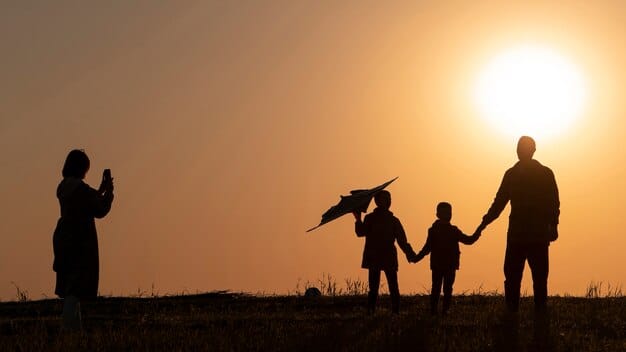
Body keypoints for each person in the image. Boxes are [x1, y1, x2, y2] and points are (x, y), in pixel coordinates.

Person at [477, 136, 559, 313]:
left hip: (533, 234)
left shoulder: (543, 174)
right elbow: (499, 203)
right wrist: (483, 224)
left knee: (537, 277)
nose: (520, 151)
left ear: (532, 151)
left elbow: (553, 203)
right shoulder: (513, 175)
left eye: (523, 148)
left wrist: (554, 225)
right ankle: (514, 311)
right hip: (521, 235)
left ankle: (537, 311)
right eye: (519, 148)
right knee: (515, 276)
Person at [52, 149, 114, 330]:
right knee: (76, 289)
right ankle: (70, 329)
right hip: (80, 241)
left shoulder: (64, 186)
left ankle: (73, 329)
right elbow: (100, 209)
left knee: (71, 287)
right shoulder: (80, 189)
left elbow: (87, 197)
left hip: (64, 238)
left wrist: (100, 189)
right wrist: (108, 193)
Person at [353, 190, 417, 314]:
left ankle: (395, 312)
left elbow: (402, 241)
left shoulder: (393, 220)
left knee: (393, 286)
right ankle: (371, 312)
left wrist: (411, 254)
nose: (387, 201)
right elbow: (360, 233)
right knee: (373, 288)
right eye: (384, 199)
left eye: (388, 198)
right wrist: (358, 219)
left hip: (388, 257)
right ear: (377, 201)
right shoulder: (370, 218)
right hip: (374, 256)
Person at [412, 202, 481, 315]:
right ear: (438, 214)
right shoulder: (435, 230)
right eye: (445, 212)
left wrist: (478, 231)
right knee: (438, 288)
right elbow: (427, 248)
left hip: (448, 265)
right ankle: (436, 310)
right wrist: (416, 258)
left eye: (449, 212)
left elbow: (469, 240)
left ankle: (443, 310)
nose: (448, 214)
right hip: (440, 264)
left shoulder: (452, 230)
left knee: (445, 288)